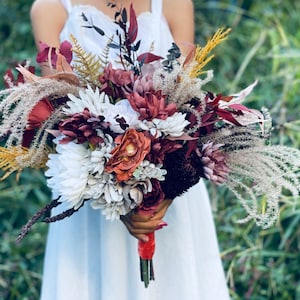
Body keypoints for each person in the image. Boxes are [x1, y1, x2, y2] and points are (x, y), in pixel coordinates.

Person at [30, 0, 231, 299]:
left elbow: (189, 105)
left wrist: (161, 196)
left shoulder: (175, 4)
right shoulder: (50, 10)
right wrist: (118, 201)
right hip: (92, 196)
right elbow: (63, 115)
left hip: (171, 190)